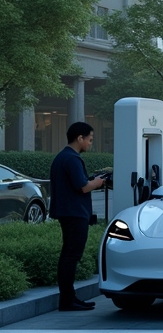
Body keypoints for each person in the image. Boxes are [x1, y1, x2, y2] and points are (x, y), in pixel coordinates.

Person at [50, 122, 110, 312]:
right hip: (75, 213)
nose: (90, 144)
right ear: (80, 138)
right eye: (90, 140)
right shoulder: (72, 159)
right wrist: (99, 182)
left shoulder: (61, 157)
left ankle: (68, 298)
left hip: (67, 212)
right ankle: (68, 300)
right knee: (71, 256)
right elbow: (83, 186)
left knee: (68, 255)